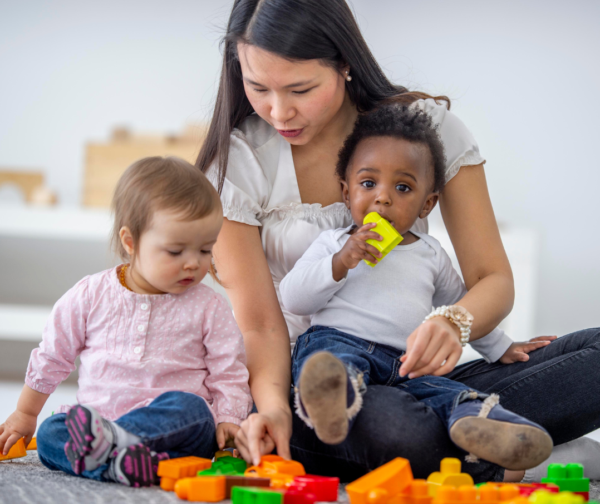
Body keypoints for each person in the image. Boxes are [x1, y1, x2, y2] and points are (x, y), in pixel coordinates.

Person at [198, 0, 600, 483]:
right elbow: (260, 326)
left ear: (345, 63)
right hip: (317, 386)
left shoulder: (423, 131)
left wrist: (456, 325)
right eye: (257, 87)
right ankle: (528, 448)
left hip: (417, 375)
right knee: (391, 426)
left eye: (300, 89)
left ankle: (489, 435)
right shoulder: (237, 164)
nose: (279, 111)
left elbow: (488, 279)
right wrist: (275, 411)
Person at [279, 105, 552, 471]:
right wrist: (341, 262)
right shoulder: (334, 243)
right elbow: (294, 299)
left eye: (403, 187)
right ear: (346, 193)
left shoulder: (430, 254)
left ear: (427, 204)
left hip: (406, 363)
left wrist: (501, 347)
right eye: (368, 183)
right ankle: (330, 405)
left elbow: (458, 306)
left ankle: (489, 426)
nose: (383, 197)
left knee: (450, 393)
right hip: (337, 341)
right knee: (332, 368)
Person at [0, 157, 252, 486]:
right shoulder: (90, 295)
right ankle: (118, 463)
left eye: (205, 250)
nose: (194, 263)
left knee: (191, 409)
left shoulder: (210, 306)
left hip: (175, 431)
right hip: (100, 419)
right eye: (176, 252)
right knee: (50, 434)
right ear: (130, 242)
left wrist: (229, 419)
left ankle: (107, 451)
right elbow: (52, 355)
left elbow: (229, 369)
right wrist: (26, 414)